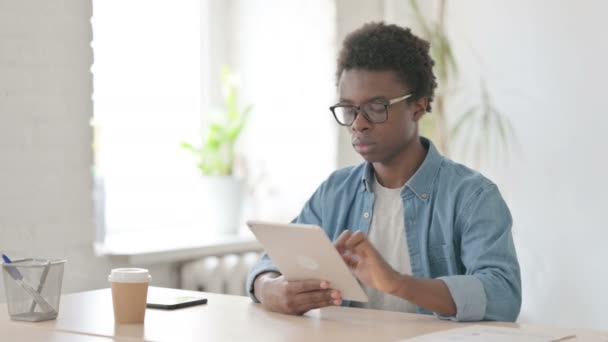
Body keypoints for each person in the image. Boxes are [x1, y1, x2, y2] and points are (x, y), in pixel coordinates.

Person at [245, 22, 521, 322]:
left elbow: (503, 295)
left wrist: (398, 283)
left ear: (418, 106)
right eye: (349, 109)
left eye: (376, 107)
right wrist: (268, 287)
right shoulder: (335, 191)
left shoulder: (472, 196)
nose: (358, 123)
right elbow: (271, 262)